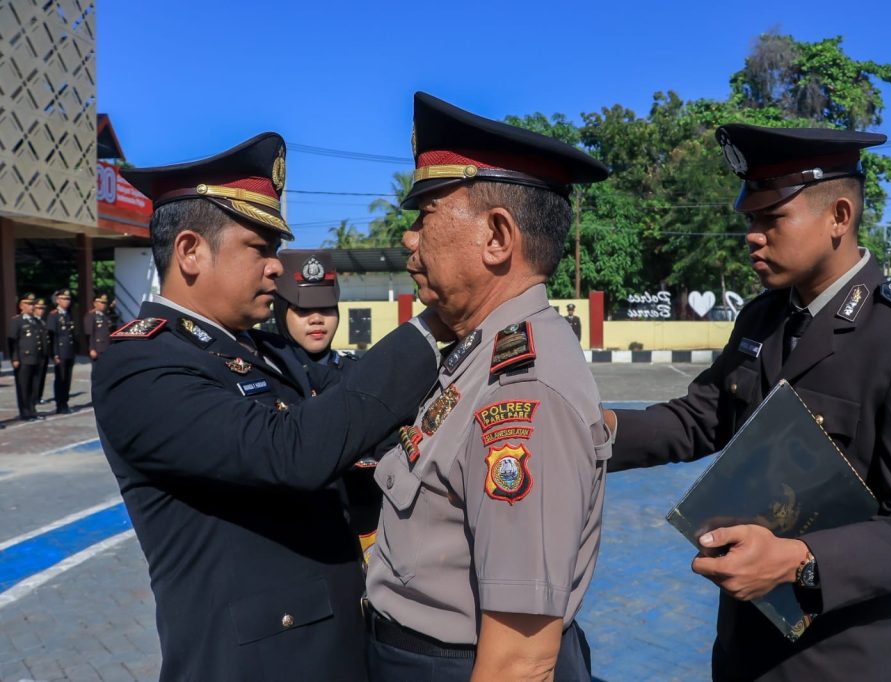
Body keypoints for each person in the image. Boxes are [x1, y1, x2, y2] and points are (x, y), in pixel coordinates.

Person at [605, 123, 891, 681]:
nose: (752, 236)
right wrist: (591, 430)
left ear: (839, 217)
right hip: (746, 647)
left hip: (845, 659)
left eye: (771, 218)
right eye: (749, 219)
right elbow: (701, 418)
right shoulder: (763, 318)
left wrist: (799, 561)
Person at [93, 132, 443, 682]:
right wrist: (433, 328)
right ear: (190, 251)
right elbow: (290, 452)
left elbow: (354, 411)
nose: (277, 267)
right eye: (260, 248)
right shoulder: (140, 365)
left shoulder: (266, 350)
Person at [365, 92, 611, 680]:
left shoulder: (523, 394)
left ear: (498, 237)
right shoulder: (477, 354)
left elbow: (520, 660)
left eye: (426, 215)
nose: (409, 239)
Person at [272, 248, 380, 562]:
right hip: (294, 546)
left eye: (326, 308)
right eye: (302, 309)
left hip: (363, 543)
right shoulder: (268, 379)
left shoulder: (360, 375)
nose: (317, 318)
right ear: (281, 311)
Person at [6, 292, 46, 421]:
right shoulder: (17, 321)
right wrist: (15, 358)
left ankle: (32, 410)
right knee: (23, 386)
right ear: (21, 306)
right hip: (23, 359)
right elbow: (12, 341)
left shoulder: (36, 321)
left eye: (32, 304)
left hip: (36, 358)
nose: (31, 306)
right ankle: (25, 412)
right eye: (28, 304)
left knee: (34, 386)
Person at [47, 288, 78, 414]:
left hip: (69, 351)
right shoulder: (53, 315)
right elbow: (52, 337)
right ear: (58, 300)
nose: (67, 301)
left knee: (67, 379)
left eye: (68, 299)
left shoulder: (68, 314)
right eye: (64, 299)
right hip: (60, 352)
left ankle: (65, 402)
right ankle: (60, 404)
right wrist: (54, 354)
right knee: (61, 378)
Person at [31, 297, 50, 406]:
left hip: (44, 353)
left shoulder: (42, 321)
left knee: (42, 376)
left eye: (42, 308)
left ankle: (39, 396)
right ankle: (34, 397)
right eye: (38, 308)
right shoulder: (33, 321)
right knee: (35, 377)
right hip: (35, 354)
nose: (41, 310)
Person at [83, 293, 112, 361]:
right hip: (97, 349)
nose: (103, 305)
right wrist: (91, 349)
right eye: (101, 302)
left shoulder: (106, 316)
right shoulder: (91, 315)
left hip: (107, 347)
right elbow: (89, 334)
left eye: (105, 303)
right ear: (95, 303)